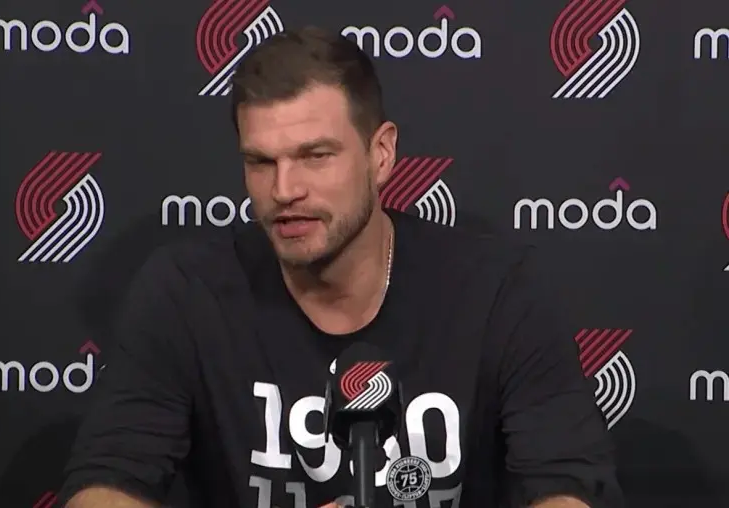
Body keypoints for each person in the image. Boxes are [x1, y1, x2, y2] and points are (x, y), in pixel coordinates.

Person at [57, 26, 622, 508]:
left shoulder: (498, 291)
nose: (284, 190)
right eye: (261, 162)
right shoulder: (186, 291)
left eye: (315, 156)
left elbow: (568, 488)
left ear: (381, 155)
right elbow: (106, 483)